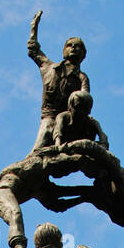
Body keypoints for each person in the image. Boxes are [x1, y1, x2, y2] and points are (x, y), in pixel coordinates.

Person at [27, 10, 90, 151]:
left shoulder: (82, 78)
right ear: (63, 52)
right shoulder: (49, 67)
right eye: (70, 45)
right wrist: (34, 28)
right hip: (49, 117)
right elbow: (33, 51)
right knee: (39, 148)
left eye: (78, 46)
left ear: (83, 55)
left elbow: (85, 99)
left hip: (71, 120)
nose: (74, 48)